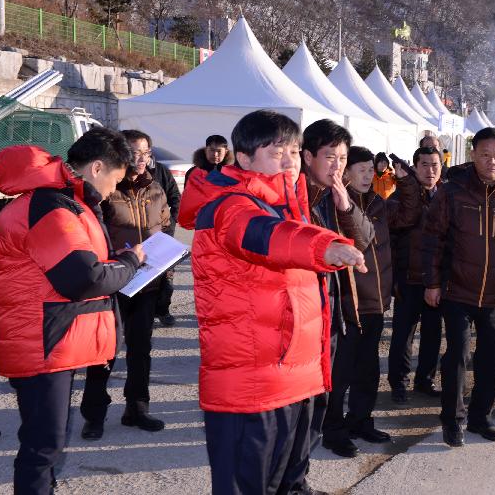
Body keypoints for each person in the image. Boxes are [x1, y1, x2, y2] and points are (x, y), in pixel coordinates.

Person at [177, 109, 366, 495]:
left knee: (280, 477)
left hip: (287, 372)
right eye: (275, 150)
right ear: (243, 159)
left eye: (294, 151)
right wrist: (325, 246)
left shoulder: (287, 204)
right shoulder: (230, 206)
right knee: (246, 483)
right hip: (251, 378)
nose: (289, 160)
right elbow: (265, 236)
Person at [0, 129, 143, 495]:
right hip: (41, 340)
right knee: (43, 445)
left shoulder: (59, 202)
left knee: (44, 440)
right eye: (115, 180)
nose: (113, 190)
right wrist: (129, 263)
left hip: (45, 335)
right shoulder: (51, 206)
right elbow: (82, 278)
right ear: (96, 167)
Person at [422, 127, 495, 447]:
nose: (491, 162)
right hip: (457, 290)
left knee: (492, 360)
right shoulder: (452, 193)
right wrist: (431, 283)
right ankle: (452, 419)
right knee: (457, 356)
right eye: (485, 155)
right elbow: (432, 240)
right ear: (473, 154)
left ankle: (479, 417)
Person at [322, 146, 419, 457]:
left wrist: (406, 181)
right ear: (345, 173)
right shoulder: (334, 205)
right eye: (359, 169)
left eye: (369, 169)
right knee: (341, 371)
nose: (366, 175)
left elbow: (408, 214)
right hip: (349, 302)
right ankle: (332, 429)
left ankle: (361, 419)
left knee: (367, 369)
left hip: (376, 302)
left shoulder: (378, 203)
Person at [81, 130, 171, 439]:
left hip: (147, 283)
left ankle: (137, 407)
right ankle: (94, 414)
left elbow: (165, 227)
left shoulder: (157, 188)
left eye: (145, 152)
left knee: (141, 349)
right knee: (103, 351)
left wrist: (165, 269)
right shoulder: (106, 189)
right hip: (114, 281)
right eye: (133, 152)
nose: (140, 157)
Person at [301, 119, 374, 463]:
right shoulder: (295, 195)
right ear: (307, 156)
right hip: (305, 305)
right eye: (330, 156)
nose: (337, 165)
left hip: (339, 302)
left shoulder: (337, 196)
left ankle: (332, 431)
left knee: (337, 374)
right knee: (308, 387)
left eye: (342, 158)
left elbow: (364, 239)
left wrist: (345, 203)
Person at [387, 147, 445, 404]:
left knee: (433, 334)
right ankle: (399, 383)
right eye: (424, 165)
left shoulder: (447, 197)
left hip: (435, 280)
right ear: (414, 167)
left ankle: (426, 379)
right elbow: (393, 239)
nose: (430, 170)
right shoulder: (399, 199)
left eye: (435, 165)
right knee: (402, 335)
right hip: (408, 279)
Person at [148, 152, 182, 327]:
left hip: (163, 232)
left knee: (166, 275)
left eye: (144, 151)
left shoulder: (161, 171)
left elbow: (176, 197)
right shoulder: (124, 171)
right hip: (137, 235)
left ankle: (163, 310)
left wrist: (172, 221)